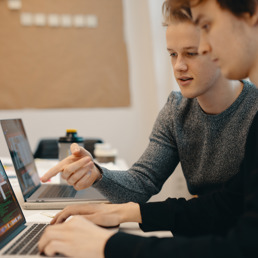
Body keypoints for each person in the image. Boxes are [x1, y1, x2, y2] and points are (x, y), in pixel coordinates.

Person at [38, 2, 258, 257]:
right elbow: (145, 182)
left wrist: (110, 244)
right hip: (199, 233)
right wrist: (98, 174)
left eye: (191, 52)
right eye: (172, 54)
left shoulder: (253, 111)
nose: (178, 66)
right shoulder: (177, 110)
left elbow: (241, 235)